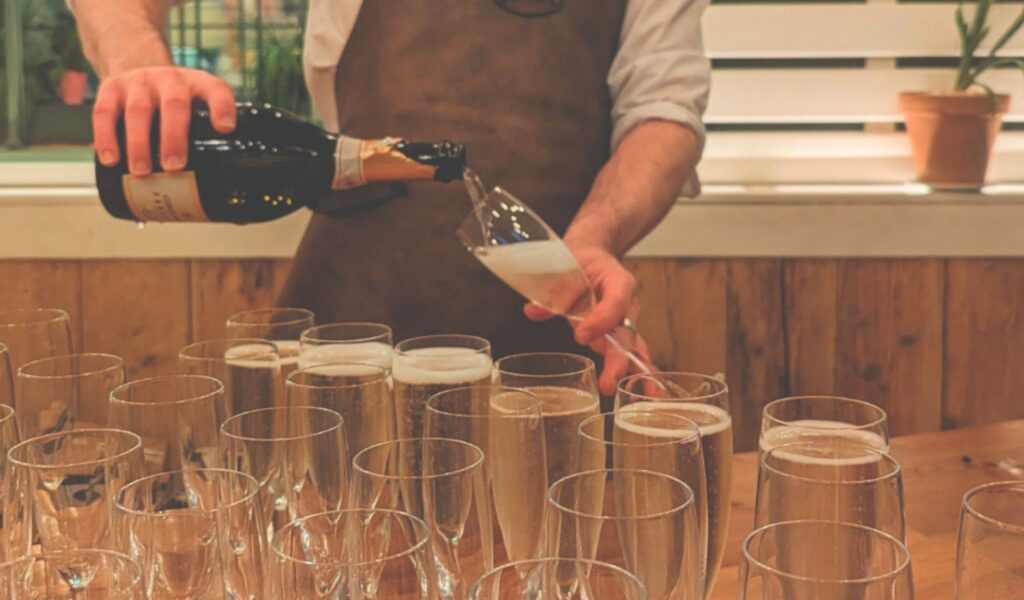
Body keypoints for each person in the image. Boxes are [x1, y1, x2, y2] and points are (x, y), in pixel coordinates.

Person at [73, 0, 709, 394]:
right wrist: (136, 60)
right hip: (345, 348)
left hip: (547, 357)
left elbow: (664, 112)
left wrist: (593, 238)